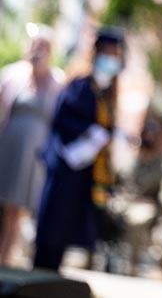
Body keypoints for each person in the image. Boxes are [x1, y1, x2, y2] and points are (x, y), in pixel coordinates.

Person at [33, 27, 125, 271]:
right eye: (109, 53)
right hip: (66, 164)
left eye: (116, 55)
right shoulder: (80, 85)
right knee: (51, 228)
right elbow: (63, 120)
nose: (112, 59)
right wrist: (91, 133)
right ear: (96, 53)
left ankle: (50, 277)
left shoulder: (107, 93)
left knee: (65, 230)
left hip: (86, 170)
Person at [0, 24, 64, 266]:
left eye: (44, 46)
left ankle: (7, 259)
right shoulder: (11, 75)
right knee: (5, 207)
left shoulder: (56, 81)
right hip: (8, 146)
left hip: (34, 153)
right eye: (35, 45)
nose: (38, 50)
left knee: (18, 210)